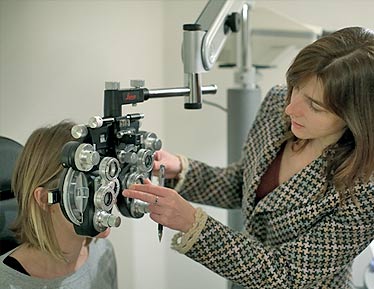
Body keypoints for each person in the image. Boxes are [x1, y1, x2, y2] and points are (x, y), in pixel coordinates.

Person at [123, 26, 374, 288]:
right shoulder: (278, 103)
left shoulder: (366, 188)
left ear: (356, 116)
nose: (291, 108)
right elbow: (244, 184)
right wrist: (182, 169)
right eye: (296, 88)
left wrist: (193, 224)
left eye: (314, 105)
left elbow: (286, 275)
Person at [0, 121, 118, 289]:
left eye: (100, 179)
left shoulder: (103, 253)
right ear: (43, 199)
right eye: (82, 185)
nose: (101, 197)